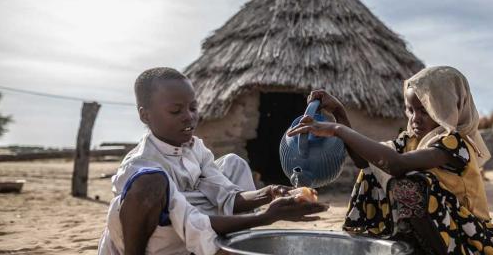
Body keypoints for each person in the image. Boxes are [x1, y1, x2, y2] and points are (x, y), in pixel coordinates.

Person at [99, 67, 327, 255]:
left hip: (188, 228)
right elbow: (191, 221)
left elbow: (229, 196)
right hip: (155, 241)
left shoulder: (194, 148)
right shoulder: (142, 165)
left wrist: (270, 192)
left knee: (233, 163)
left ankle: (231, 242)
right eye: (176, 111)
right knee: (152, 184)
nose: (188, 116)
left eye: (193, 108)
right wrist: (267, 217)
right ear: (145, 115)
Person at [287, 66, 493, 254]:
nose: (414, 118)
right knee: (373, 173)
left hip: (470, 240)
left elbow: (396, 164)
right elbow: (367, 163)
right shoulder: (410, 140)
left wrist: (337, 130)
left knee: (408, 184)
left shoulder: (455, 143)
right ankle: (405, 246)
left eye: (425, 111)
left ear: (448, 108)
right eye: (410, 110)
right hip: (441, 232)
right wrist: (340, 114)